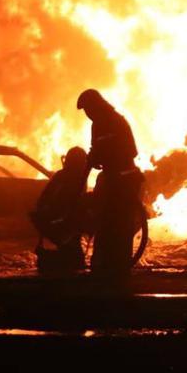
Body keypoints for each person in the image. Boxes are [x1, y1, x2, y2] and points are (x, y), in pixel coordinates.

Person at [76, 89, 143, 276]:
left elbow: (131, 151)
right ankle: (105, 265)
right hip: (111, 178)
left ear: (96, 105)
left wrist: (106, 156)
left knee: (119, 224)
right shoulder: (97, 124)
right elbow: (95, 152)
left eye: (88, 109)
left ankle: (118, 268)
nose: (88, 114)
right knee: (105, 223)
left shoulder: (115, 121)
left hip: (124, 180)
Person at [30, 146, 90, 274]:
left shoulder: (65, 176)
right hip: (62, 223)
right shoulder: (73, 178)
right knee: (73, 259)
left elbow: (43, 199)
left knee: (71, 254)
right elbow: (67, 202)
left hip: (62, 223)